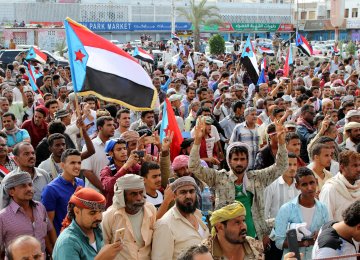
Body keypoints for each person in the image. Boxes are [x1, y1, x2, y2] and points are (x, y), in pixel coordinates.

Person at [189, 118, 287, 242]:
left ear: (248, 160)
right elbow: (194, 166)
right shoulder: (219, 178)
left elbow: (281, 166)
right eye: (235, 159)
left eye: (242, 159)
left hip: (255, 238)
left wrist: (281, 143)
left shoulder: (257, 178)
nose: (239, 163)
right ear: (229, 161)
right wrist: (197, 141)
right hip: (227, 240)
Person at [273, 167, 329, 259]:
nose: (310, 188)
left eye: (312, 183)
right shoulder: (286, 209)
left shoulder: (323, 208)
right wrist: (306, 243)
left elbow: (327, 236)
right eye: (304, 184)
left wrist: (320, 234)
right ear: (297, 186)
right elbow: (279, 242)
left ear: (316, 181)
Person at [52, 187, 122, 260]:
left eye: (100, 211)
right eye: (92, 213)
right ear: (77, 211)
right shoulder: (68, 242)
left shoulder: (97, 230)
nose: (99, 218)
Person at [152, 176, 210, 260]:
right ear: (174, 196)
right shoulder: (165, 225)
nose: (188, 196)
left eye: (191, 191)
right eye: (183, 192)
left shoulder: (199, 215)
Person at [102, 174, 157, 259]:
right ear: (122, 196)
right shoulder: (109, 216)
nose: (139, 198)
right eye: (133, 194)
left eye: (141, 192)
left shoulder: (150, 210)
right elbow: (103, 248)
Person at [0, 171, 56, 254]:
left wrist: (53, 254)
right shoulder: (3, 217)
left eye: (30, 185)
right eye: (23, 186)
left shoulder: (40, 207)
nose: (29, 189)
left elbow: (47, 233)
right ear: (11, 192)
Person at [41, 149, 84, 236]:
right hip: (63, 238)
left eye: (79, 163)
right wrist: (56, 246)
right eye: (72, 163)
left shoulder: (80, 182)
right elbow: (48, 223)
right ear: (62, 165)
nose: (77, 166)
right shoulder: (51, 189)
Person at [0, 142, 51, 207]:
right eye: (26, 154)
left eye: (33, 153)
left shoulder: (44, 174)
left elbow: (51, 198)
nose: (31, 156)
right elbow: (3, 207)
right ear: (16, 159)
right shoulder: (9, 180)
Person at [320, 150, 360, 221]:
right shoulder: (330, 189)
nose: (358, 169)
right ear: (342, 167)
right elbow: (326, 222)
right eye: (355, 165)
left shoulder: (358, 186)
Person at [81, 116, 115, 192]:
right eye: (109, 125)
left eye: (113, 125)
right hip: (94, 194)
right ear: (100, 128)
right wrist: (103, 188)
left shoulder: (114, 145)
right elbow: (87, 171)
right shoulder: (89, 146)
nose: (113, 127)